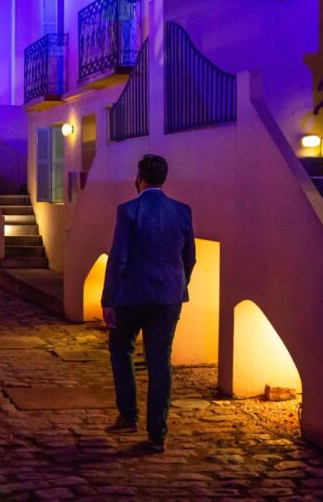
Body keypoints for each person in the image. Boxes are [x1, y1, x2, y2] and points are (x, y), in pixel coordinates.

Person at [101, 154, 196, 454]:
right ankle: (157, 434)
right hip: (167, 297)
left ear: (139, 177)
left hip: (132, 294)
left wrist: (109, 299)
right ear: (164, 178)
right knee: (160, 362)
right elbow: (189, 256)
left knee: (121, 349)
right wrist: (180, 284)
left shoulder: (129, 210)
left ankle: (128, 415)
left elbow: (119, 258)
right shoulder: (182, 211)